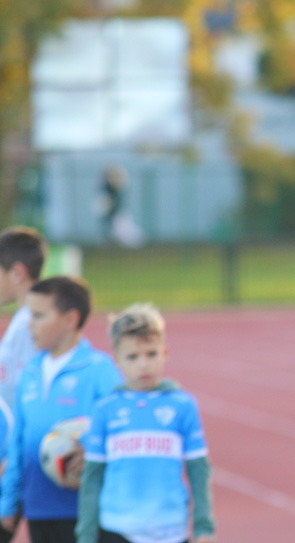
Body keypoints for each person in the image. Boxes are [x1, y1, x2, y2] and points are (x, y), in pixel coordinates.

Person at [76, 303, 215, 543]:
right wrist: (86, 535)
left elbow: (198, 471)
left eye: (151, 354)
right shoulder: (105, 409)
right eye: (132, 357)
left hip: (170, 531)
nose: (143, 364)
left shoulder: (182, 405)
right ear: (117, 360)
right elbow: (92, 479)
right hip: (116, 530)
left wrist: (203, 528)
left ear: (165, 353)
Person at [0, 277, 122, 543]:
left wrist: (90, 446)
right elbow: (19, 443)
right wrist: (9, 502)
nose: (30, 324)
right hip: (39, 508)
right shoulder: (31, 371)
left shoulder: (99, 370)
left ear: (70, 320)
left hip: (85, 511)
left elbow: (119, 429)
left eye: (39, 316)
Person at [0, 227, 47, 542]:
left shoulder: (31, 325)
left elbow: (30, 398)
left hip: (14, 461)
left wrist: (10, 459)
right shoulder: (20, 322)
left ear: (17, 273)